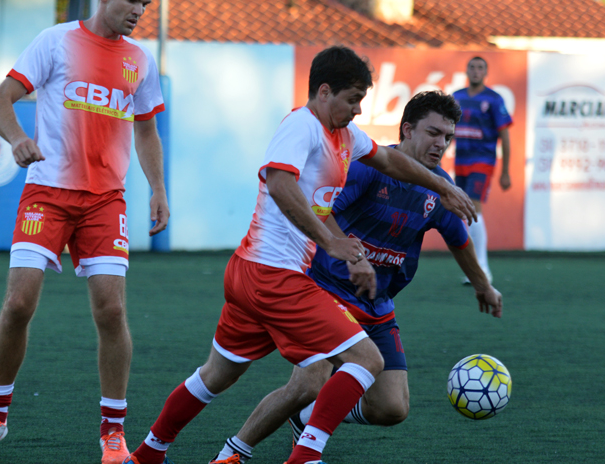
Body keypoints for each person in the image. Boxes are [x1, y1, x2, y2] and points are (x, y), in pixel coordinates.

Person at [121, 48, 477, 464]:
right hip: (276, 276)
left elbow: (390, 161)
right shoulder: (301, 126)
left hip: (249, 272)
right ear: (323, 92)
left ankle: (149, 452)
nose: (358, 110)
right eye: (352, 99)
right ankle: (305, 456)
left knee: (216, 376)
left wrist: (443, 186)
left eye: (362, 100)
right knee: (366, 359)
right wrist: (333, 244)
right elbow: (279, 183)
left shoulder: (344, 136)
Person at [209, 90, 503, 464]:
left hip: (377, 305)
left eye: (447, 136)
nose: (440, 144)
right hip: (326, 290)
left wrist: (483, 286)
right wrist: (342, 249)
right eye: (433, 133)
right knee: (308, 382)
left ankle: (305, 421)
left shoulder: (438, 187)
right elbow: (322, 207)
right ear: (408, 130)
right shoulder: (368, 167)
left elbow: (459, 241)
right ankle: (234, 452)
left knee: (392, 407)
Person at [0, 0, 168, 464]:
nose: (138, 11)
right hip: (47, 193)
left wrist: (158, 189)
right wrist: (17, 139)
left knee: (112, 310)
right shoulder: (55, 41)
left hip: (105, 201)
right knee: (18, 304)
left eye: (145, 4)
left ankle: (113, 433)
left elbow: (145, 130)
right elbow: (0, 101)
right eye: (131, 0)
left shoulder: (140, 61)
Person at [453, 56, 512, 283]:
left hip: (483, 161)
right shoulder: (457, 97)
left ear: (486, 73)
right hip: (461, 162)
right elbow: (448, 131)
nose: (476, 71)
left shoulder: (494, 99)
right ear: (466, 70)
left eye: (480, 68)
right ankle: (473, 269)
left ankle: (483, 269)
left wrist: (505, 171)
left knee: (474, 207)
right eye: (472, 67)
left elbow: (505, 136)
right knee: (463, 211)